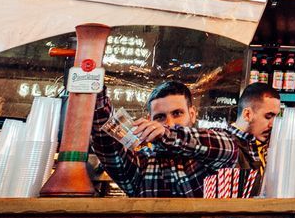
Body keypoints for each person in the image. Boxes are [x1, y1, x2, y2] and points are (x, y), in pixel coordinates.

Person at [91, 79, 239, 198]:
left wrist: (166, 134)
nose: (169, 123)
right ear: (150, 119)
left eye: (177, 113)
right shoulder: (141, 162)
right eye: (160, 117)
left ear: (192, 114)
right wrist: (94, 83)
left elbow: (229, 147)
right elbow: (106, 142)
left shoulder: (208, 152)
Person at [228, 82, 282, 198]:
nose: (273, 124)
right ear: (247, 114)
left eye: (276, 117)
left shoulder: (268, 146)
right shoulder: (227, 146)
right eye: (268, 116)